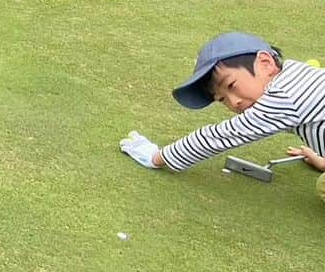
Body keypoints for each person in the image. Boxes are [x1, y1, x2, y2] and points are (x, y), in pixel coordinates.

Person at [120, 32, 325, 203]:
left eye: (231, 86)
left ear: (265, 63)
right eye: (222, 99)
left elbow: (221, 136)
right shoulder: (299, 75)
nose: (234, 102)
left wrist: (157, 157)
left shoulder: (282, 96)